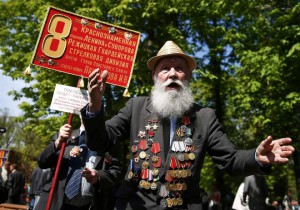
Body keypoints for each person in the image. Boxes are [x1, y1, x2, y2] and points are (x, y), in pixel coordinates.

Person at [81, 40, 294, 210]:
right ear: (154, 76)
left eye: (179, 68)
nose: (172, 73)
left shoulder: (205, 116)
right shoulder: (135, 106)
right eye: (165, 69)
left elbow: (229, 160)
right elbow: (100, 140)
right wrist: (95, 105)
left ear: (188, 76)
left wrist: (256, 157)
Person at [35, 118, 122, 210]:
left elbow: (117, 172)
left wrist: (99, 176)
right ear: (80, 114)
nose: (89, 114)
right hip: (56, 202)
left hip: (90, 205)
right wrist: (58, 142)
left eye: (93, 110)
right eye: (86, 109)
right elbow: (42, 163)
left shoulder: (109, 140)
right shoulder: (64, 135)